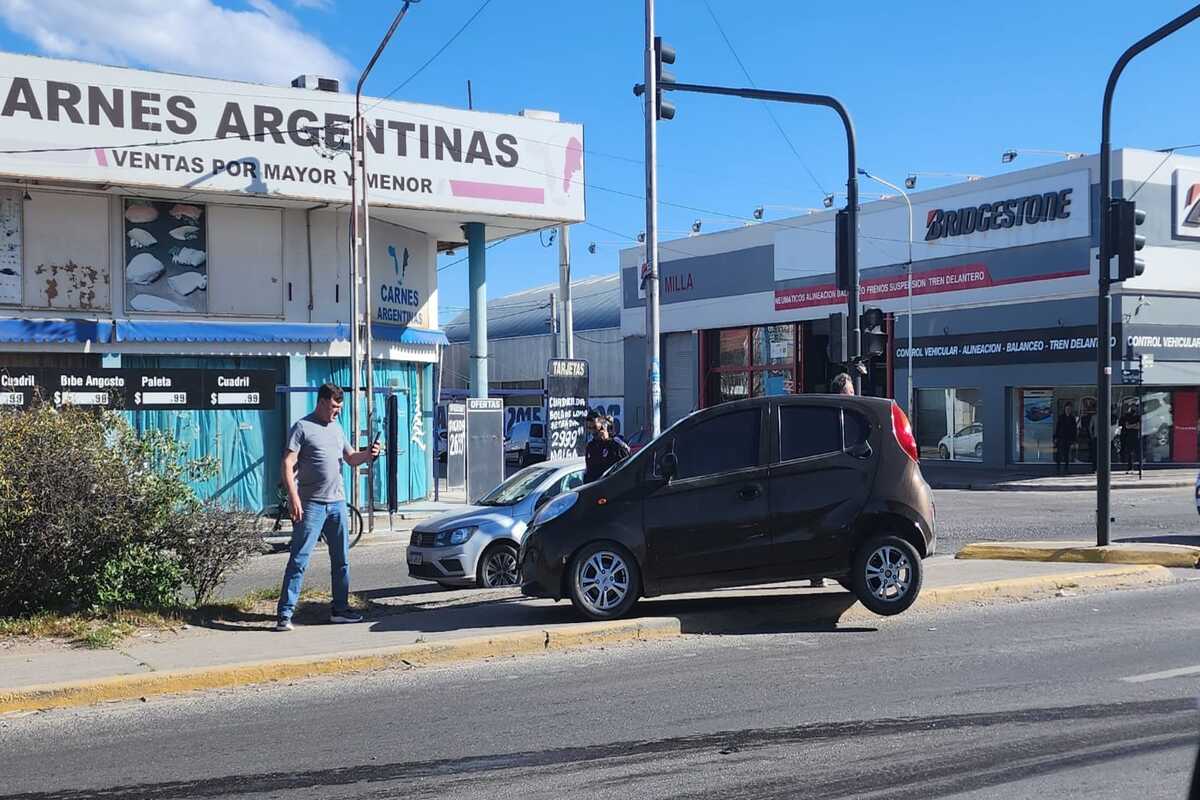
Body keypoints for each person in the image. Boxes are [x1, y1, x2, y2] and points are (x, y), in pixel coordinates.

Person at [275, 383, 382, 631]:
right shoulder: (302, 427)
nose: (337, 412)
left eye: (340, 407)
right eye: (334, 407)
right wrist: (294, 497)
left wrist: (369, 454)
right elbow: (287, 463)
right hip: (310, 505)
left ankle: (340, 610)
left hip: (337, 504)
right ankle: (284, 614)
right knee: (299, 559)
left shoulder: (336, 428)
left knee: (341, 560)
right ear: (322, 402)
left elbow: (351, 458)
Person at [584, 414, 629, 483]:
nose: (592, 431)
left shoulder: (616, 441)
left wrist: (608, 441)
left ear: (603, 427)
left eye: (595, 427)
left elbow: (627, 455)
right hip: (595, 487)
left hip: (612, 485)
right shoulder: (590, 446)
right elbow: (589, 470)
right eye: (589, 428)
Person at [1053, 401, 1077, 476]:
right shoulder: (1061, 417)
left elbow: (1074, 429)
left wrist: (1074, 440)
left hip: (1068, 438)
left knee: (1066, 454)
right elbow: (1057, 427)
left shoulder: (1072, 418)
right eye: (1067, 408)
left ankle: (1066, 469)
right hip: (1061, 438)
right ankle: (1058, 469)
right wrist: (1056, 437)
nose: (1068, 410)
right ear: (1065, 409)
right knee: (1059, 454)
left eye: (1069, 408)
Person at [1120, 399, 1141, 474]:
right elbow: (1127, 426)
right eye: (1132, 406)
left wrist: (1131, 425)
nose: (1133, 408)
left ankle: (1139, 468)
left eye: (1135, 406)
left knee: (1138, 452)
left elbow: (1138, 426)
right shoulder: (1126, 415)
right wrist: (1134, 425)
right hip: (1128, 436)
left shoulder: (1138, 416)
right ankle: (1130, 468)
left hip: (1136, 436)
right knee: (1129, 453)